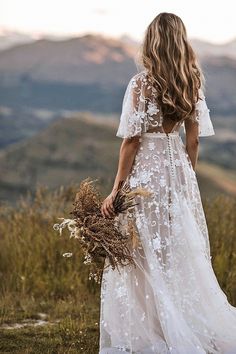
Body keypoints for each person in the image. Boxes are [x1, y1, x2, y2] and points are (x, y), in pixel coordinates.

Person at [99, 12, 236, 354]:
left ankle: (152, 328)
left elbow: (131, 141)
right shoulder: (191, 80)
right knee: (171, 251)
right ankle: (175, 321)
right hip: (175, 172)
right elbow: (194, 142)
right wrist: (184, 180)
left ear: (152, 41)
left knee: (139, 250)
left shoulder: (141, 83)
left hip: (146, 170)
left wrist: (116, 190)